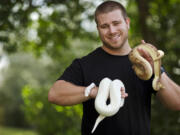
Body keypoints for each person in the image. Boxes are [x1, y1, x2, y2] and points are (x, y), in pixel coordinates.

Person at [48, 1, 180, 135]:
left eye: (116, 23)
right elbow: (55, 94)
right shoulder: (85, 64)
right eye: (105, 26)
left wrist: (156, 67)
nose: (112, 31)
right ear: (98, 29)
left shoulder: (144, 62)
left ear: (127, 23)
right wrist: (94, 91)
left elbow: (177, 102)